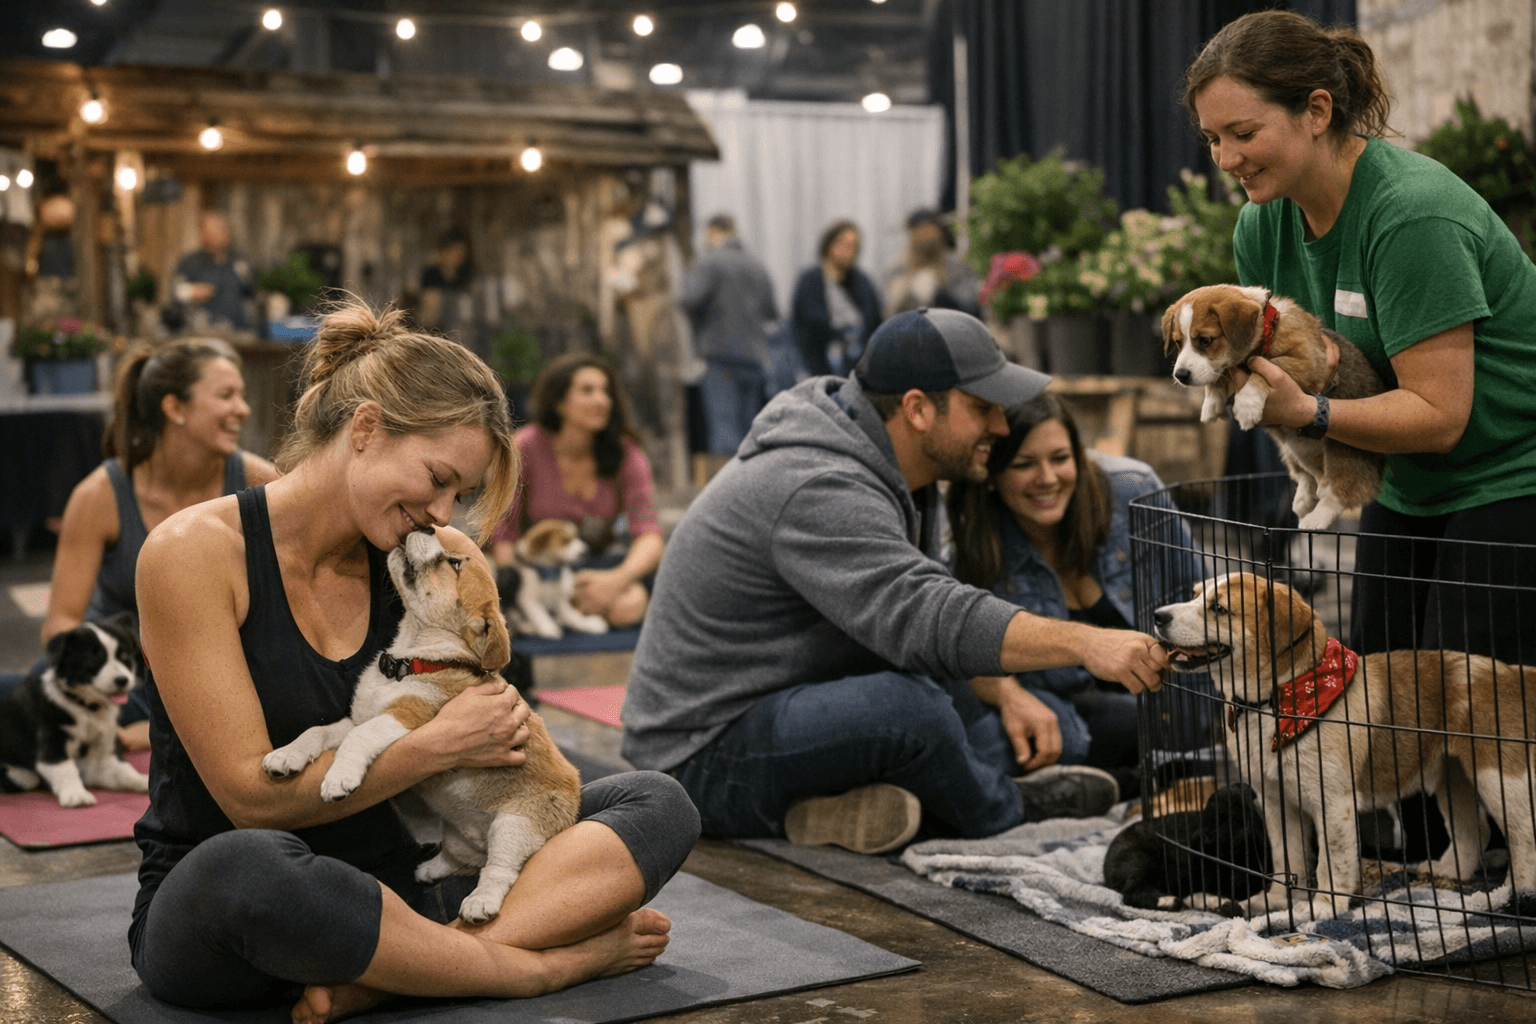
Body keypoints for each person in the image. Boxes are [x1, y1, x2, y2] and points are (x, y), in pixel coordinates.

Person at [129, 301, 698, 1022]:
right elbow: (251, 799)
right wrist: (433, 748)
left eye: (458, 494)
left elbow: (500, 742)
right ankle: (528, 969)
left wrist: (490, 746)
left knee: (656, 801)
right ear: (364, 429)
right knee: (247, 868)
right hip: (252, 909)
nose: (443, 512)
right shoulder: (193, 553)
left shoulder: (440, 557)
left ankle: (406, 969)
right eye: (437, 478)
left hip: (413, 883)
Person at [621, 307, 1169, 856]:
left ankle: (838, 808)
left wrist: (1005, 693)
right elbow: (927, 617)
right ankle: (1010, 810)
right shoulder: (817, 484)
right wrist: (1086, 642)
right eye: (983, 409)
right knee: (911, 715)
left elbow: (923, 633)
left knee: (1056, 739)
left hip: (800, 705)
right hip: (697, 760)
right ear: (917, 408)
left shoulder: (901, 469)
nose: (1002, 427)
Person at [1183, 9, 1536, 667]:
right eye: (1211, 139)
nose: (1226, 159)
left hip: (1512, 479)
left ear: (1317, 110)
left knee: (1474, 726)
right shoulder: (1262, 228)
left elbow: (1437, 418)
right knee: (1381, 700)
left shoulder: (1412, 217)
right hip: (1404, 481)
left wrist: (1308, 412)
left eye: (1244, 133)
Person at [946, 392, 1212, 797]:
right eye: (1023, 464)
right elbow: (955, 641)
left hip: (1170, 697)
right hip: (1065, 713)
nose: (1047, 478)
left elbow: (1202, 599)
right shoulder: (972, 542)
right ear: (994, 475)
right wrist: (1008, 693)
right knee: (1038, 734)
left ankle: (1111, 783)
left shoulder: (1133, 491)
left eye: (1060, 458)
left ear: (1079, 457)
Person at [41, 337, 280, 749]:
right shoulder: (99, 495)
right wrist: (102, 676)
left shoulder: (261, 484)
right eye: (226, 395)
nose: (242, 409)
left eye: (241, 395)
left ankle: (141, 737)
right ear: (174, 408)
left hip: (223, 679)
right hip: (123, 683)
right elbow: (60, 624)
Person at [488, 353, 664, 629]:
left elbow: (649, 536)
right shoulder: (525, 447)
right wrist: (517, 585)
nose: (602, 400)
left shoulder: (625, 453)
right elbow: (502, 531)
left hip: (594, 568)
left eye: (606, 392)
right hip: (535, 570)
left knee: (629, 607)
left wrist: (616, 580)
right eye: (587, 391)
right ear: (558, 403)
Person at [678, 213, 780, 458]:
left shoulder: (711, 262)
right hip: (754, 358)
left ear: (714, 232)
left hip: (720, 355)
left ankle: (727, 494)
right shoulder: (756, 264)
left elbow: (688, 300)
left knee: (724, 432)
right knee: (749, 435)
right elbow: (771, 312)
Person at [790, 219, 883, 378]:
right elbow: (806, 324)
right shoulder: (811, 281)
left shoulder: (862, 282)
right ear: (828, 244)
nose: (847, 250)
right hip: (817, 364)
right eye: (842, 243)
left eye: (852, 245)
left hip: (856, 366)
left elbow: (874, 320)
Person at [883, 209, 982, 319]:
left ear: (939, 232)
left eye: (929, 230)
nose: (925, 236)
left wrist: (939, 294)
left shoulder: (954, 266)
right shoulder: (898, 268)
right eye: (920, 231)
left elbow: (971, 310)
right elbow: (888, 315)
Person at [172, 212, 255, 332]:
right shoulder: (189, 263)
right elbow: (176, 293)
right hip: (200, 332)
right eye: (209, 231)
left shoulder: (240, 262)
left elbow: (252, 293)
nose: (214, 235)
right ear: (201, 234)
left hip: (236, 331)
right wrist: (191, 291)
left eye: (219, 230)